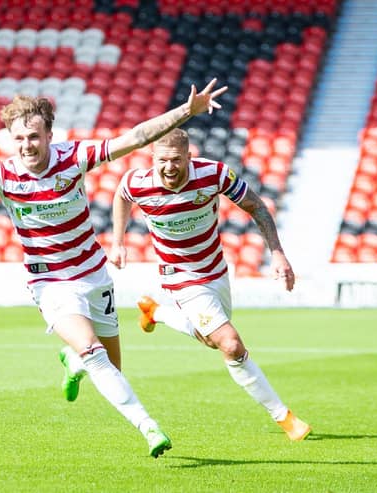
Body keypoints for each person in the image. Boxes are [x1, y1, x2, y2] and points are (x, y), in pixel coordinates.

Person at [0, 79, 228, 458]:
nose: (27, 145)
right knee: (95, 352)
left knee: (109, 365)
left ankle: (72, 359)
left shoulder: (73, 157)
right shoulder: (3, 175)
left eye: (34, 136)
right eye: (19, 138)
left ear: (49, 135)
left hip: (94, 276)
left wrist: (186, 111)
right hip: (50, 282)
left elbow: (135, 138)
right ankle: (149, 428)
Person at [109, 127, 311, 441]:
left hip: (215, 271)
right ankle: (283, 416)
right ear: (152, 158)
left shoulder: (214, 175)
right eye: (162, 160)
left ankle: (156, 312)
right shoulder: (138, 183)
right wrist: (118, 241)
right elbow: (121, 196)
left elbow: (256, 206)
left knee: (211, 340)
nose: (169, 167)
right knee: (231, 344)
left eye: (177, 160)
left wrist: (278, 253)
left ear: (190, 157)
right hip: (179, 276)